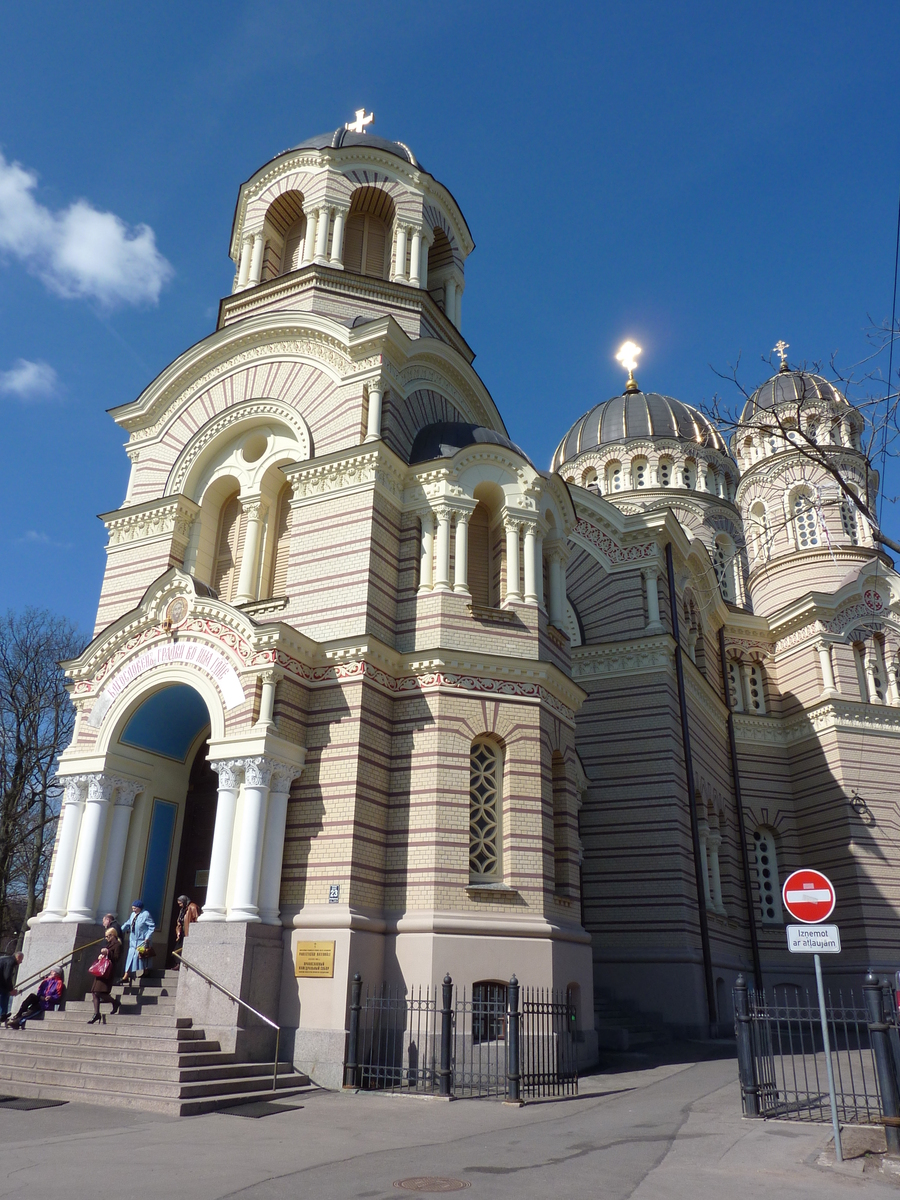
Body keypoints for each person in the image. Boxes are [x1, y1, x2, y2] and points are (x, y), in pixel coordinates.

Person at [88, 927, 122, 1024]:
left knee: (99, 992)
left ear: (113, 935)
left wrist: (108, 953)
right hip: (101, 971)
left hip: (107, 972)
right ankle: (96, 1013)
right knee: (94, 992)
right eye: (106, 936)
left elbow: (116, 958)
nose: (106, 938)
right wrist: (101, 956)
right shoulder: (108, 945)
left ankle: (115, 1002)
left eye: (108, 936)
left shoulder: (117, 945)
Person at [121, 900, 155, 985]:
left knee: (140, 956)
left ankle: (145, 972)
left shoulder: (145, 914)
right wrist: (120, 930)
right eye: (132, 908)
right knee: (130, 956)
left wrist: (147, 937)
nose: (133, 910)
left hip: (142, 940)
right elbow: (128, 923)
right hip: (133, 940)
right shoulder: (133, 915)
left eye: (135, 908)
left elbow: (151, 926)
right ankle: (126, 975)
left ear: (139, 908)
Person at [172, 894, 200, 967]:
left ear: (184, 901)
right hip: (182, 932)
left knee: (183, 948)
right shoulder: (183, 909)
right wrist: (178, 931)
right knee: (177, 949)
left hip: (189, 932)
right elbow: (180, 920)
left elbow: (196, 919)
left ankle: (180, 964)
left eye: (180, 903)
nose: (180, 905)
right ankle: (178, 964)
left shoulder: (192, 907)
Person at [0, 952, 23, 1026]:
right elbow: (7, 977)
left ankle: (2, 1014)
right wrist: (11, 989)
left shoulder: (5, 959)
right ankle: (2, 1014)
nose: (21, 962)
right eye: (21, 959)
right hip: (2, 983)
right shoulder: (11, 962)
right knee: (5, 994)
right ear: (18, 957)